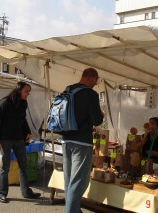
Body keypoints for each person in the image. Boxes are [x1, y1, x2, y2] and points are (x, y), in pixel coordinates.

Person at [62, 68, 104, 213]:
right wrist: (101, 114)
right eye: (96, 81)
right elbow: (97, 120)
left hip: (66, 140)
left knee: (69, 180)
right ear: (92, 78)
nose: (95, 84)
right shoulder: (91, 94)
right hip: (82, 142)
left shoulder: (68, 90)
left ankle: (73, 209)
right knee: (79, 181)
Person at [0, 82, 41, 203]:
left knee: (23, 165)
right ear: (19, 90)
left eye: (29, 92)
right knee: (5, 167)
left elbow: (22, 119)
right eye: (26, 91)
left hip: (19, 138)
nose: (28, 94)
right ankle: (1, 193)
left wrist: (28, 132)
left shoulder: (23, 103)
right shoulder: (5, 103)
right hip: (5, 139)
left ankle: (26, 192)